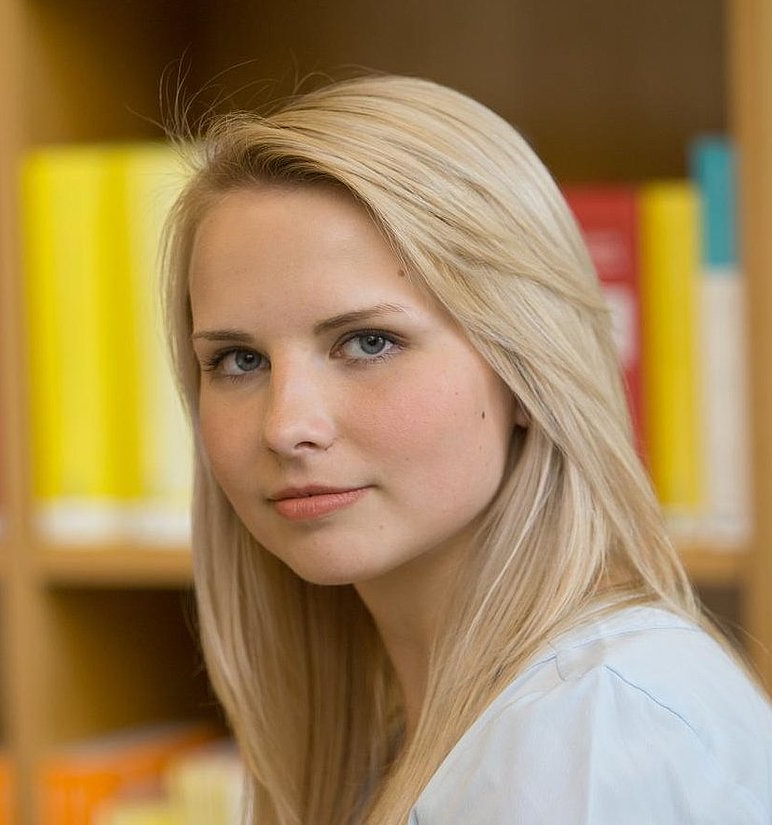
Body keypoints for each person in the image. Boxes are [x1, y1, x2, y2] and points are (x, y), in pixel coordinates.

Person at [160, 74, 772, 824]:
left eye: (368, 341)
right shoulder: (396, 736)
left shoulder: (603, 732)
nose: (286, 426)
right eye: (239, 360)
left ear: (525, 366)